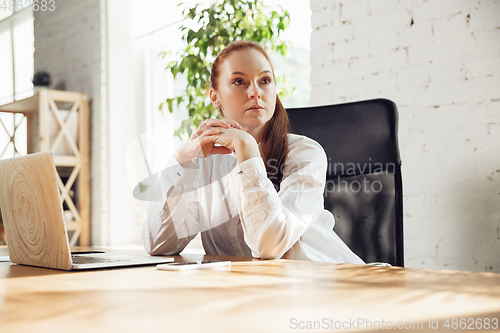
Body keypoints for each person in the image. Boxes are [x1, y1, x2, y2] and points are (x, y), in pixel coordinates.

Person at [142, 40, 364, 264]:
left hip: (326, 283)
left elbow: (269, 246)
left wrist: (247, 151)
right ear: (215, 96)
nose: (255, 92)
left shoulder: (306, 154)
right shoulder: (203, 163)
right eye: (239, 81)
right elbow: (158, 245)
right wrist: (181, 162)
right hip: (251, 289)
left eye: (265, 80)